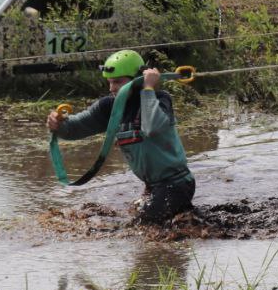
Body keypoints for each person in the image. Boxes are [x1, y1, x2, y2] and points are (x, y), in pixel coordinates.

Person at [46, 51, 195, 225]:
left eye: (117, 82)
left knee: (141, 228)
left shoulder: (160, 99)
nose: (112, 88)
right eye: (109, 82)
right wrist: (58, 124)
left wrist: (148, 89)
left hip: (176, 185)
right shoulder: (110, 107)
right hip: (152, 186)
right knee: (150, 226)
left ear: (137, 79)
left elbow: (152, 127)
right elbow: (75, 128)